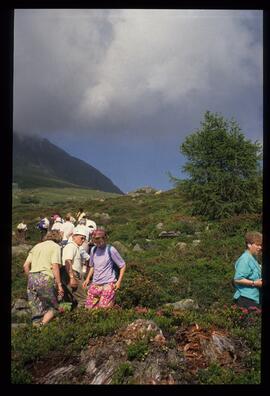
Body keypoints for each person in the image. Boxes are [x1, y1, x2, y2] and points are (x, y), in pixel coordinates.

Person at [23, 230, 64, 327]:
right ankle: (41, 327)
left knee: (36, 309)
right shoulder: (55, 247)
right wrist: (59, 284)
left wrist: (31, 278)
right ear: (58, 238)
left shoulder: (36, 246)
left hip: (32, 278)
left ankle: (35, 330)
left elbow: (25, 266)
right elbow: (55, 266)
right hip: (45, 277)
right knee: (53, 307)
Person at [83, 228, 126, 309]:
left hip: (109, 283)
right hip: (96, 283)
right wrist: (88, 279)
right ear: (93, 239)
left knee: (103, 309)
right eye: (97, 238)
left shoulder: (111, 250)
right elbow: (92, 266)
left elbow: (122, 265)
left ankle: (113, 315)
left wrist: (119, 282)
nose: (100, 240)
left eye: (102, 237)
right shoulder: (93, 250)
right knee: (89, 308)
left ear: (106, 238)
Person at [233, 231, 262, 311]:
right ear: (249, 245)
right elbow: (237, 279)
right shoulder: (245, 259)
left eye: (261, 245)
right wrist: (254, 283)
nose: (260, 247)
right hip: (246, 299)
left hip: (254, 298)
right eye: (257, 245)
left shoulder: (254, 258)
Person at [61, 226, 90, 307]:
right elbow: (67, 261)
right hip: (71, 274)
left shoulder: (76, 247)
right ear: (74, 237)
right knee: (84, 300)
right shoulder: (71, 246)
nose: (83, 240)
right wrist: (72, 277)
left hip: (72, 274)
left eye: (84, 238)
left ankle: (72, 317)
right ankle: (80, 318)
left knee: (74, 300)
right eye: (82, 238)